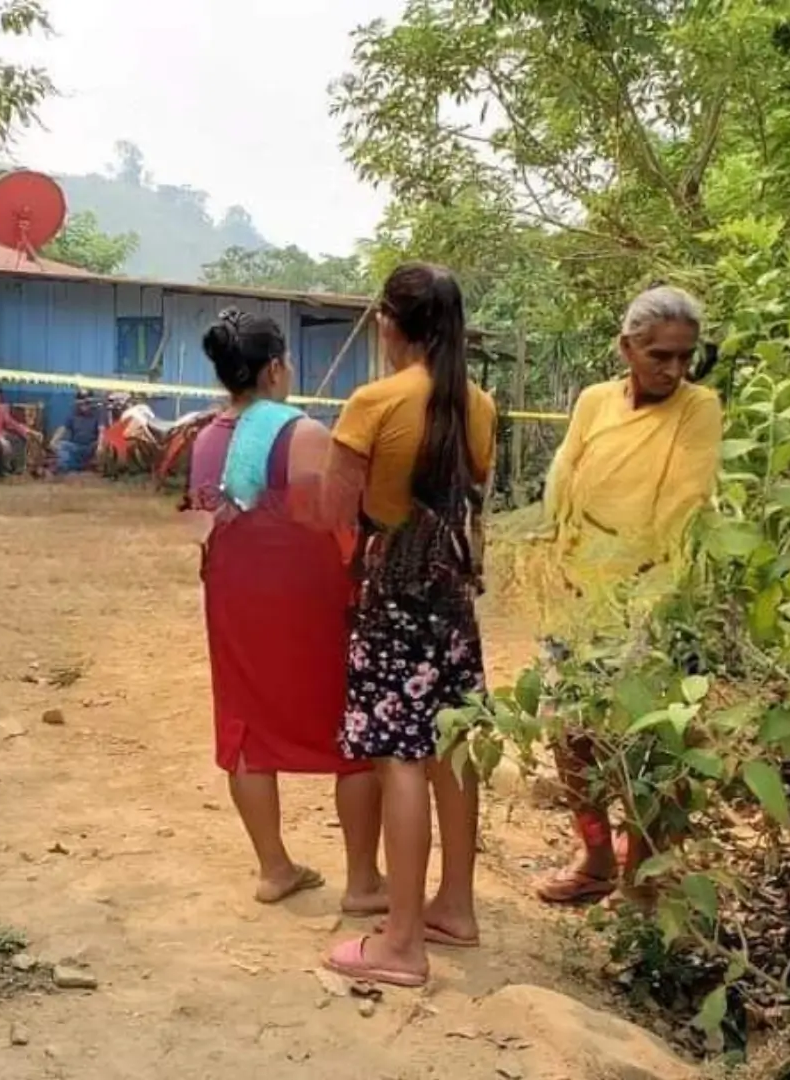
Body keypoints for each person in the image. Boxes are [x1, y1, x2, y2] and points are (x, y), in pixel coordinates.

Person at [515, 285, 724, 905]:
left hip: (653, 600)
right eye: (660, 355)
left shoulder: (698, 407)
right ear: (626, 348)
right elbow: (565, 478)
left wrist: (646, 596)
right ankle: (596, 854)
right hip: (578, 593)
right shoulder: (594, 401)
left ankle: (645, 877)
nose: (675, 369)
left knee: (651, 741)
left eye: (685, 356)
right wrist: (560, 557)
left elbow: (684, 505)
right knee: (570, 734)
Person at [323, 262, 497, 989]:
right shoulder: (479, 404)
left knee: (398, 758)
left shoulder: (373, 402)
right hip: (452, 602)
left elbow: (334, 516)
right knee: (451, 748)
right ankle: (454, 907)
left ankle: (400, 943)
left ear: (388, 323)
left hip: (391, 600)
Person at [186, 309, 385, 912]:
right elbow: (337, 523)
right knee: (350, 733)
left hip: (234, 601)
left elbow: (203, 526)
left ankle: (274, 868)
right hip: (310, 604)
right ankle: (362, 881)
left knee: (245, 725)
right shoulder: (305, 435)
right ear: (274, 368)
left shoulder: (205, 440)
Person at [49, 390, 104, 474]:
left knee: (102, 447)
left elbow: (102, 430)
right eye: (81, 404)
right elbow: (63, 428)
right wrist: (53, 441)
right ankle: (76, 466)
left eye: (87, 403)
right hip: (76, 446)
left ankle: (71, 465)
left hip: (91, 446)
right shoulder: (73, 414)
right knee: (61, 445)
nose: (84, 406)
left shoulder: (98, 413)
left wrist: (100, 445)